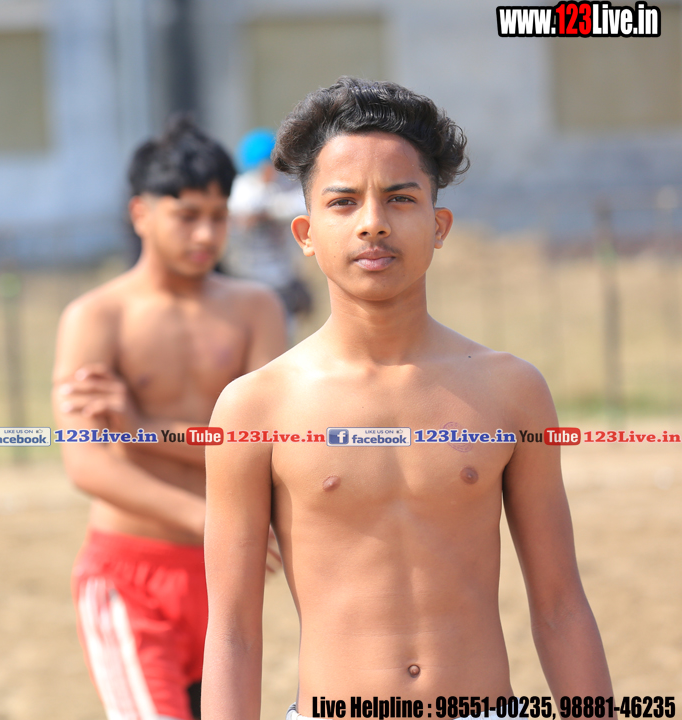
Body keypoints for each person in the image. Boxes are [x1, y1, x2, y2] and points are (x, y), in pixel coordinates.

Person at [201, 78, 612, 719]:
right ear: (305, 231)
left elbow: (560, 604)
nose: (373, 222)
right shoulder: (255, 408)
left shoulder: (511, 392)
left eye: (400, 198)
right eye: (343, 202)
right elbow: (231, 631)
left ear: (439, 224)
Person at [52, 116, 286, 720]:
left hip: (224, 583)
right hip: (128, 575)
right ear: (141, 213)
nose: (206, 234)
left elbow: (263, 445)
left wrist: (141, 430)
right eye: (187, 216)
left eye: (218, 215)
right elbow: (86, 464)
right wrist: (207, 519)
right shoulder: (95, 318)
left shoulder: (255, 309)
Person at [223, 128, 314, 338]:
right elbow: (242, 212)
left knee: (284, 337)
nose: (270, 170)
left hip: (283, 281)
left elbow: (303, 205)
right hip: (248, 280)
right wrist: (263, 204)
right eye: (266, 165)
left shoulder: (283, 186)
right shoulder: (242, 189)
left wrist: (272, 210)